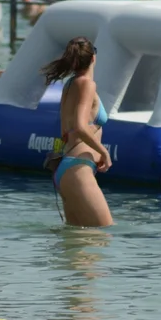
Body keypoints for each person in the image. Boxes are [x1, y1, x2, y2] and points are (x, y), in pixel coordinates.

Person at [40, 37, 113, 227]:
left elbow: (66, 129)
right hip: (78, 168)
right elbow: (80, 126)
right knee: (103, 235)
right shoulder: (87, 85)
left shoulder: (70, 84)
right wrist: (104, 152)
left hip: (67, 168)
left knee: (77, 243)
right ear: (93, 58)